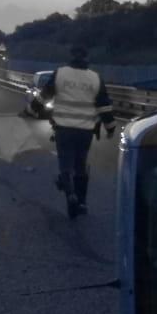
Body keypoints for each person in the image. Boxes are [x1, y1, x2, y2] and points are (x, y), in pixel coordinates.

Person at [41, 46, 116, 218]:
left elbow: (45, 95)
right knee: (81, 165)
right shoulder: (95, 78)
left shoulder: (60, 73)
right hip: (85, 131)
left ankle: (69, 193)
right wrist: (111, 128)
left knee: (65, 164)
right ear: (87, 58)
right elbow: (104, 106)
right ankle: (81, 202)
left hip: (63, 129)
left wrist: (31, 109)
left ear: (72, 57)